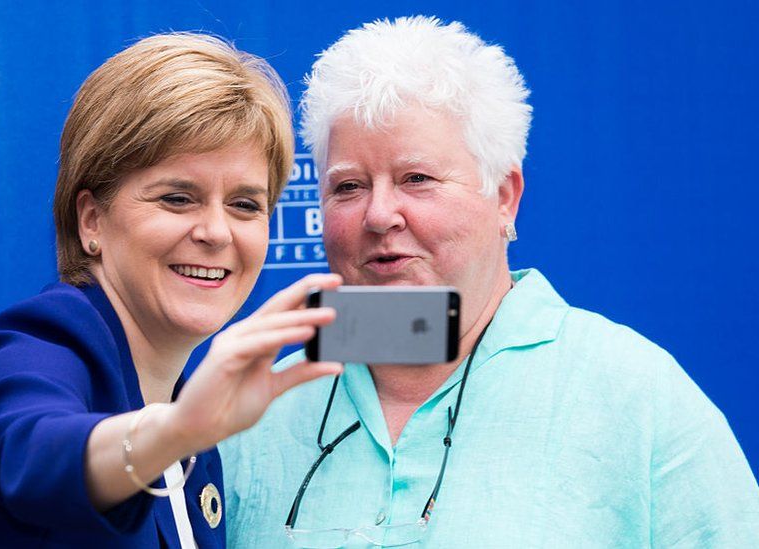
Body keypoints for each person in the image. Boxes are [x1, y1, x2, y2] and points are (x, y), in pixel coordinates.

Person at [219, 16, 759, 548]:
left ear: (504, 196)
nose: (379, 214)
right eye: (349, 186)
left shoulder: (636, 396)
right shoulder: (257, 413)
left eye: (417, 179)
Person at [0, 32, 345, 548]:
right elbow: (30, 453)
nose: (217, 232)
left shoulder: (189, 420)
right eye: (177, 198)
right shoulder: (41, 342)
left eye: (245, 205)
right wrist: (175, 431)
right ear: (92, 220)